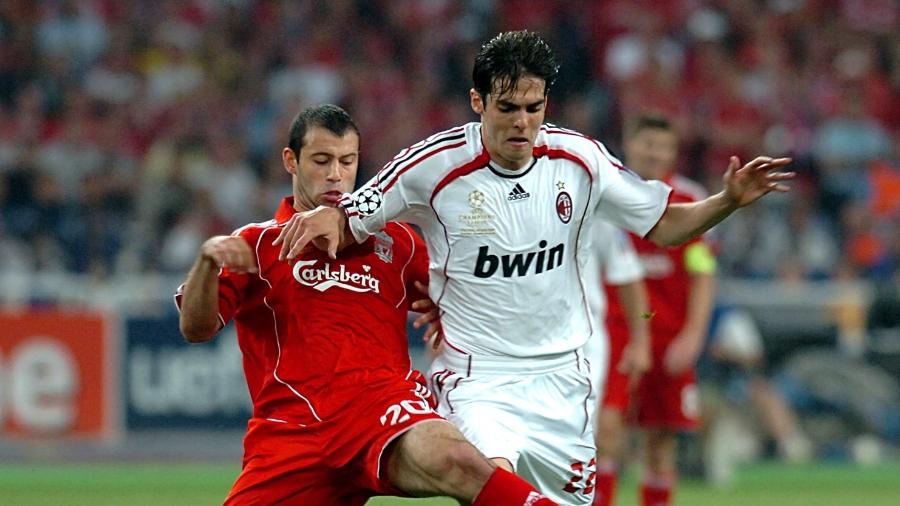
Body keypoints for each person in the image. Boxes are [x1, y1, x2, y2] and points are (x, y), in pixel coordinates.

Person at [274, 31, 794, 504]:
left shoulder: (581, 160)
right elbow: (352, 216)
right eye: (506, 108)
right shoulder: (431, 165)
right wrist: (323, 220)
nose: (522, 122)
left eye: (533, 106)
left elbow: (667, 224)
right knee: (485, 479)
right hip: (479, 380)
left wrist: (729, 199)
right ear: (477, 103)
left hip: (563, 381)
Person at [176, 104, 558, 506]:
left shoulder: (397, 240)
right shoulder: (257, 243)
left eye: (347, 161)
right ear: (291, 160)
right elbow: (196, 327)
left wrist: (453, 314)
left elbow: (472, 298)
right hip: (291, 436)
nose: (336, 174)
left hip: (380, 408)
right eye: (321, 161)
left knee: (454, 458)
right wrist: (206, 262)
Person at [592, 114, 718, 506]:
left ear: (673, 152)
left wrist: (694, 335)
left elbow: (702, 271)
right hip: (613, 331)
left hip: (668, 334)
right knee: (605, 432)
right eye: (647, 143)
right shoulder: (606, 194)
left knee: (660, 443)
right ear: (629, 144)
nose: (654, 153)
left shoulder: (691, 201)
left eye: (663, 146)